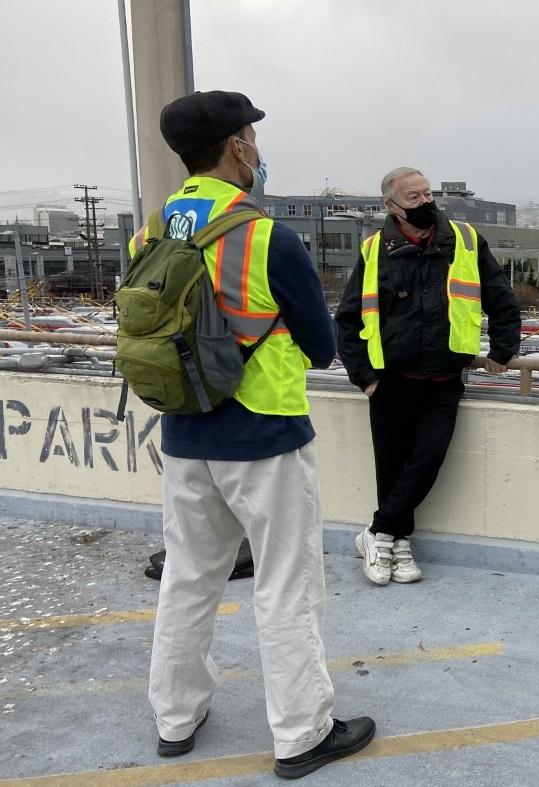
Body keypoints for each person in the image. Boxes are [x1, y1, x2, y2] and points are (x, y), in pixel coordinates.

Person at [134, 90, 374, 780]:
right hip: (264, 435)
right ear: (238, 146)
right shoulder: (267, 235)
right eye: (250, 138)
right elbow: (323, 344)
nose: (255, 150)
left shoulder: (149, 233)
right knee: (286, 585)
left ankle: (175, 717)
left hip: (182, 434)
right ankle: (302, 733)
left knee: (187, 577)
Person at [336, 168, 520, 586]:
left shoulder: (465, 241)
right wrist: (363, 376)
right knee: (392, 467)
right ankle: (396, 546)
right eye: (413, 198)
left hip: (443, 377)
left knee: (428, 459)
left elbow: (501, 298)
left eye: (426, 194)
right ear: (391, 207)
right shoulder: (374, 249)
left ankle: (377, 532)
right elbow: (346, 320)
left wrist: (503, 351)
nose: (425, 203)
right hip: (391, 379)